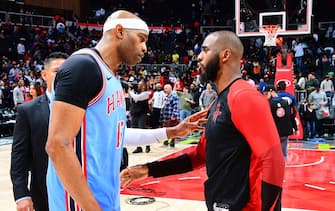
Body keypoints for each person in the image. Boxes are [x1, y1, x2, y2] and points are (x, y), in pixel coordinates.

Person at [45, 10, 207, 211]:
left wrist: (172, 132)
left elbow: (116, 135)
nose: (145, 48)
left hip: (104, 198)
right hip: (80, 204)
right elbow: (57, 144)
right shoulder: (83, 66)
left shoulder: (110, 76)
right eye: (141, 39)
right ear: (119, 31)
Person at [120, 31, 285, 210]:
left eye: (205, 50)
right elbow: (199, 157)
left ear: (225, 55)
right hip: (219, 203)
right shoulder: (218, 101)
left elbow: (273, 159)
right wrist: (148, 169)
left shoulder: (244, 96)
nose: (198, 57)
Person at [10, 52, 68, 211]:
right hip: (43, 191)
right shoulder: (27, 110)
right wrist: (22, 194)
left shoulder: (86, 108)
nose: (64, 75)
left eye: (68, 71)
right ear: (44, 74)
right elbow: (19, 155)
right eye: (57, 71)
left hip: (79, 188)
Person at [263, 85, 295, 159]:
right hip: (285, 131)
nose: (265, 96)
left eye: (265, 94)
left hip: (274, 131)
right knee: (283, 154)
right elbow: (290, 115)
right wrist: (294, 127)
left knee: (273, 154)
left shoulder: (269, 103)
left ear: (271, 92)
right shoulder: (285, 102)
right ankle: (282, 167)